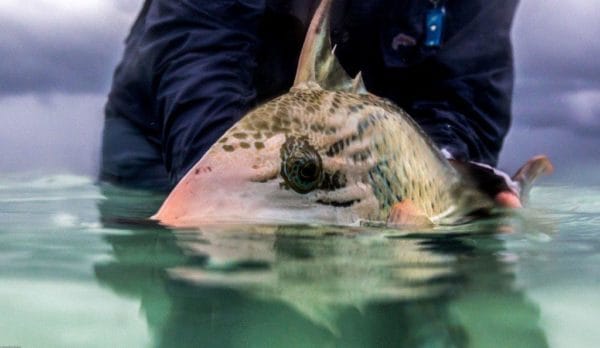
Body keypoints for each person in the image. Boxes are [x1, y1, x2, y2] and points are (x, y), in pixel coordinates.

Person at [101, 0, 519, 195]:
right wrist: (223, 191)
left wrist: (445, 180)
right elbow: (200, 45)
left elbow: (467, 92)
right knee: (194, 280)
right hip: (162, 127)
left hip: (368, 148)